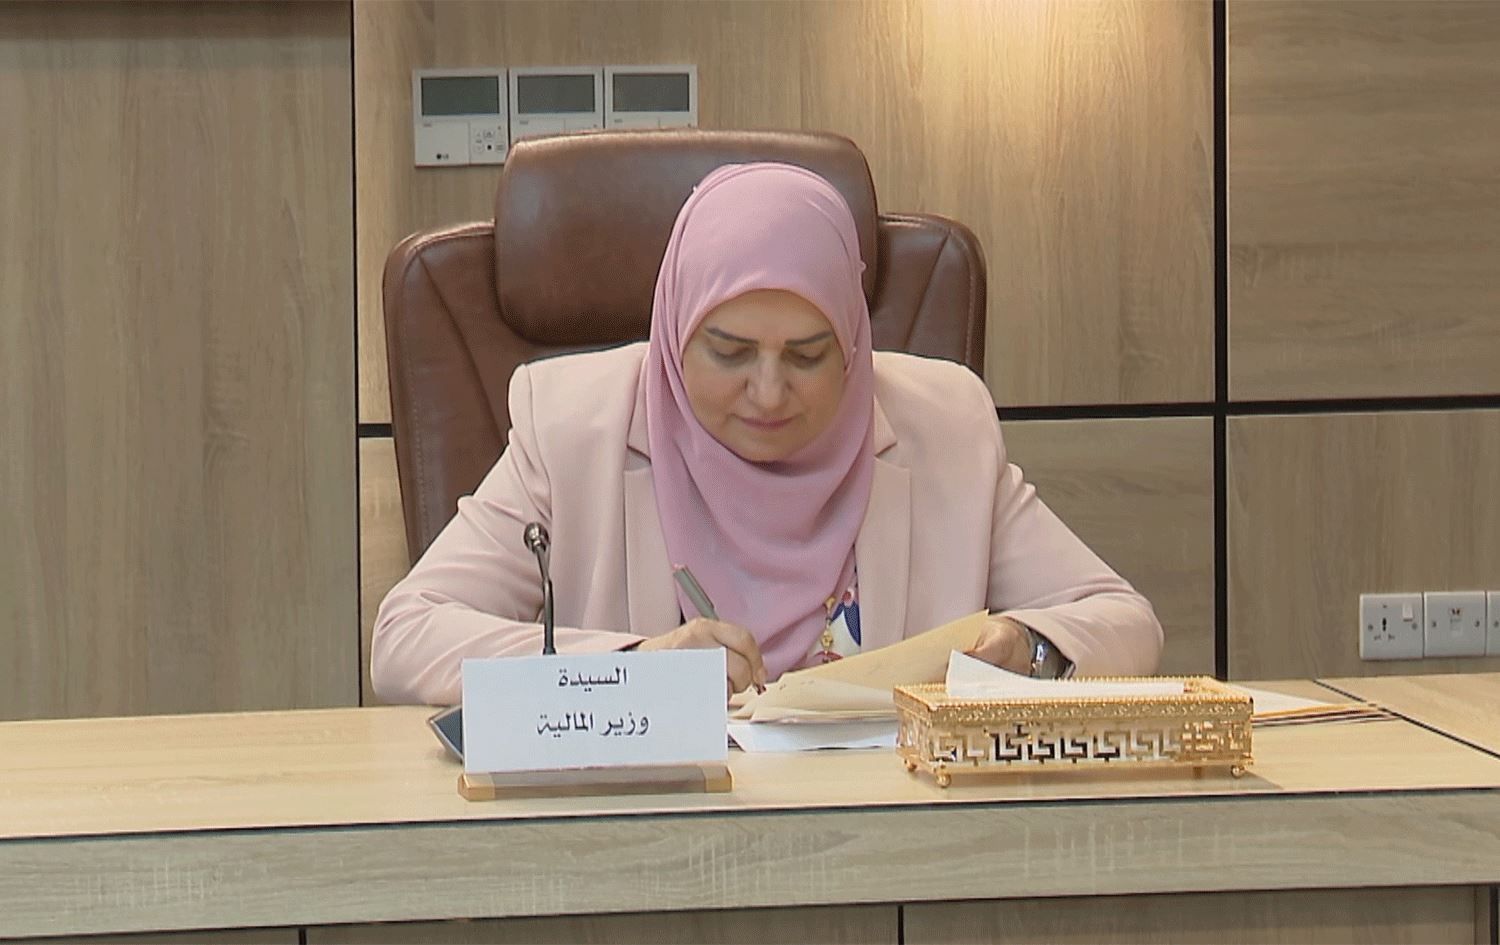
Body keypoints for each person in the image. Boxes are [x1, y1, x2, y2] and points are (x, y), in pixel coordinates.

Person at [371, 163, 1162, 705]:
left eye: (809, 356)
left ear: (853, 346)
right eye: (730, 352)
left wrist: (1028, 646)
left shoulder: (945, 426)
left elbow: (1124, 621)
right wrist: (636, 667)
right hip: (643, 848)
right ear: (675, 332)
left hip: (889, 853)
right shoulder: (573, 425)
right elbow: (407, 637)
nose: (770, 392)